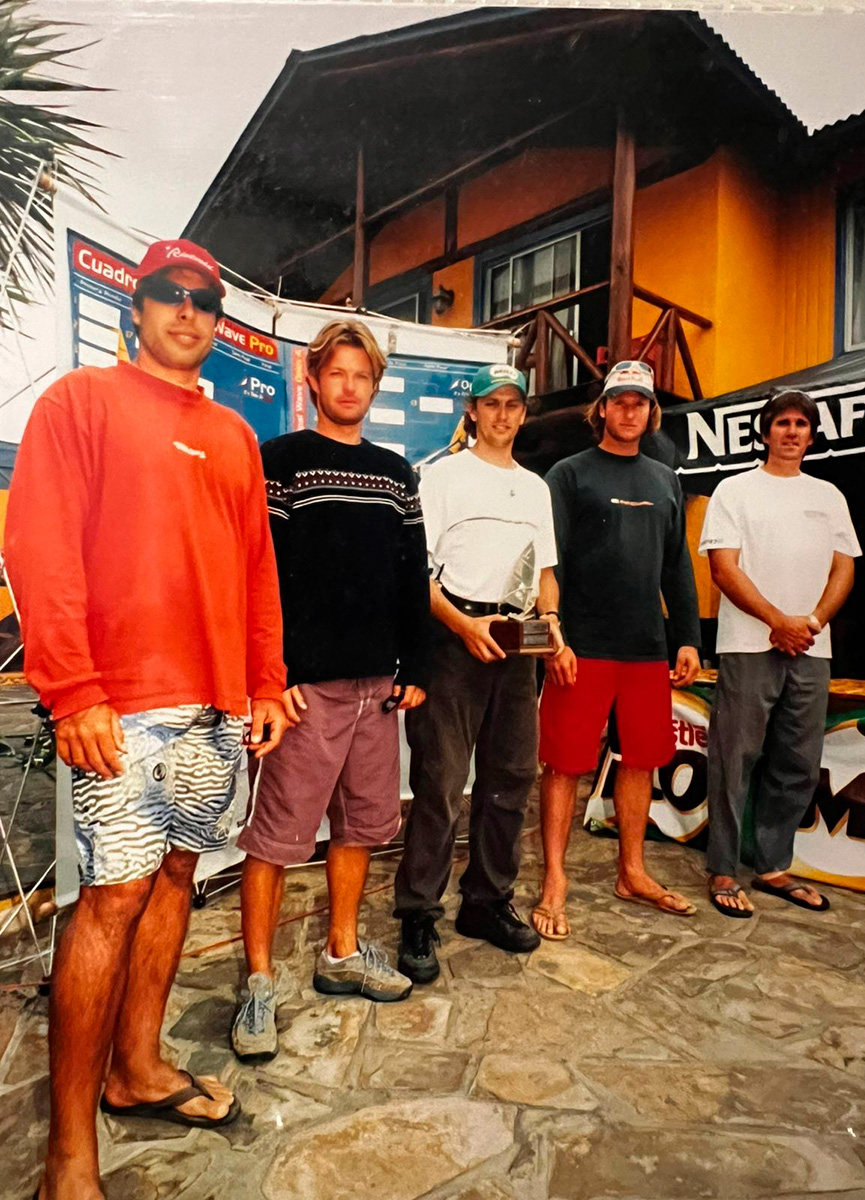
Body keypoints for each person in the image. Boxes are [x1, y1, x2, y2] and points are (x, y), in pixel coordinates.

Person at [5, 239, 290, 1200]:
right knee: (110, 899)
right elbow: (40, 549)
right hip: (119, 707)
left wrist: (265, 683)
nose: (188, 311)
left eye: (205, 300)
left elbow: (256, 569)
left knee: (175, 877)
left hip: (214, 707)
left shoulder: (235, 436)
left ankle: (136, 1067)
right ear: (138, 307)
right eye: (170, 293)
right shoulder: (79, 402)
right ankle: (68, 1156)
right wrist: (75, 691)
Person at [231, 318, 430, 1061]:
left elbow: (413, 573)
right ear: (312, 380)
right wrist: (272, 677)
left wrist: (417, 666)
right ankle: (257, 981)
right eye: (336, 373)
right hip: (303, 691)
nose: (349, 387)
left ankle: (342, 952)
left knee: (362, 827)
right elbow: (258, 573)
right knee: (276, 838)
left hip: (379, 686)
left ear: (375, 386)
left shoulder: (396, 472)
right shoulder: (280, 460)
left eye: (362, 376)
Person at [393, 363, 562, 984]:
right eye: (491, 404)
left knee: (511, 778)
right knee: (440, 783)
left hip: (517, 644)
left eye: (513, 404)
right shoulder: (442, 477)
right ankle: (418, 912)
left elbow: (546, 572)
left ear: (523, 413)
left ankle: (487, 901)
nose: (502, 415)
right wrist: (465, 626)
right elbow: (417, 576)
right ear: (472, 410)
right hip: (453, 640)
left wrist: (551, 621)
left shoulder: (536, 488)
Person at [535, 360, 702, 938]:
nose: (630, 411)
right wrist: (553, 635)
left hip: (646, 648)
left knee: (641, 761)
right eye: (620, 401)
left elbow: (677, 565)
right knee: (564, 764)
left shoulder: (664, 479)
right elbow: (549, 562)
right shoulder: (568, 474)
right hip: (580, 647)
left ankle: (631, 871)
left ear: (651, 413)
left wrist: (687, 637)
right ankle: (554, 879)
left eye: (640, 403)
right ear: (602, 409)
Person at [699, 390, 860, 917]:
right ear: (765, 432)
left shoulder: (829, 496)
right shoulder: (735, 490)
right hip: (749, 643)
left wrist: (811, 623)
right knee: (735, 758)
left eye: (801, 424)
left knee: (798, 761)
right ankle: (724, 868)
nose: (791, 432)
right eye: (782, 423)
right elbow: (723, 568)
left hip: (812, 645)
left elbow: (844, 568)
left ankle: (772, 866)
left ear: (811, 436)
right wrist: (777, 621)